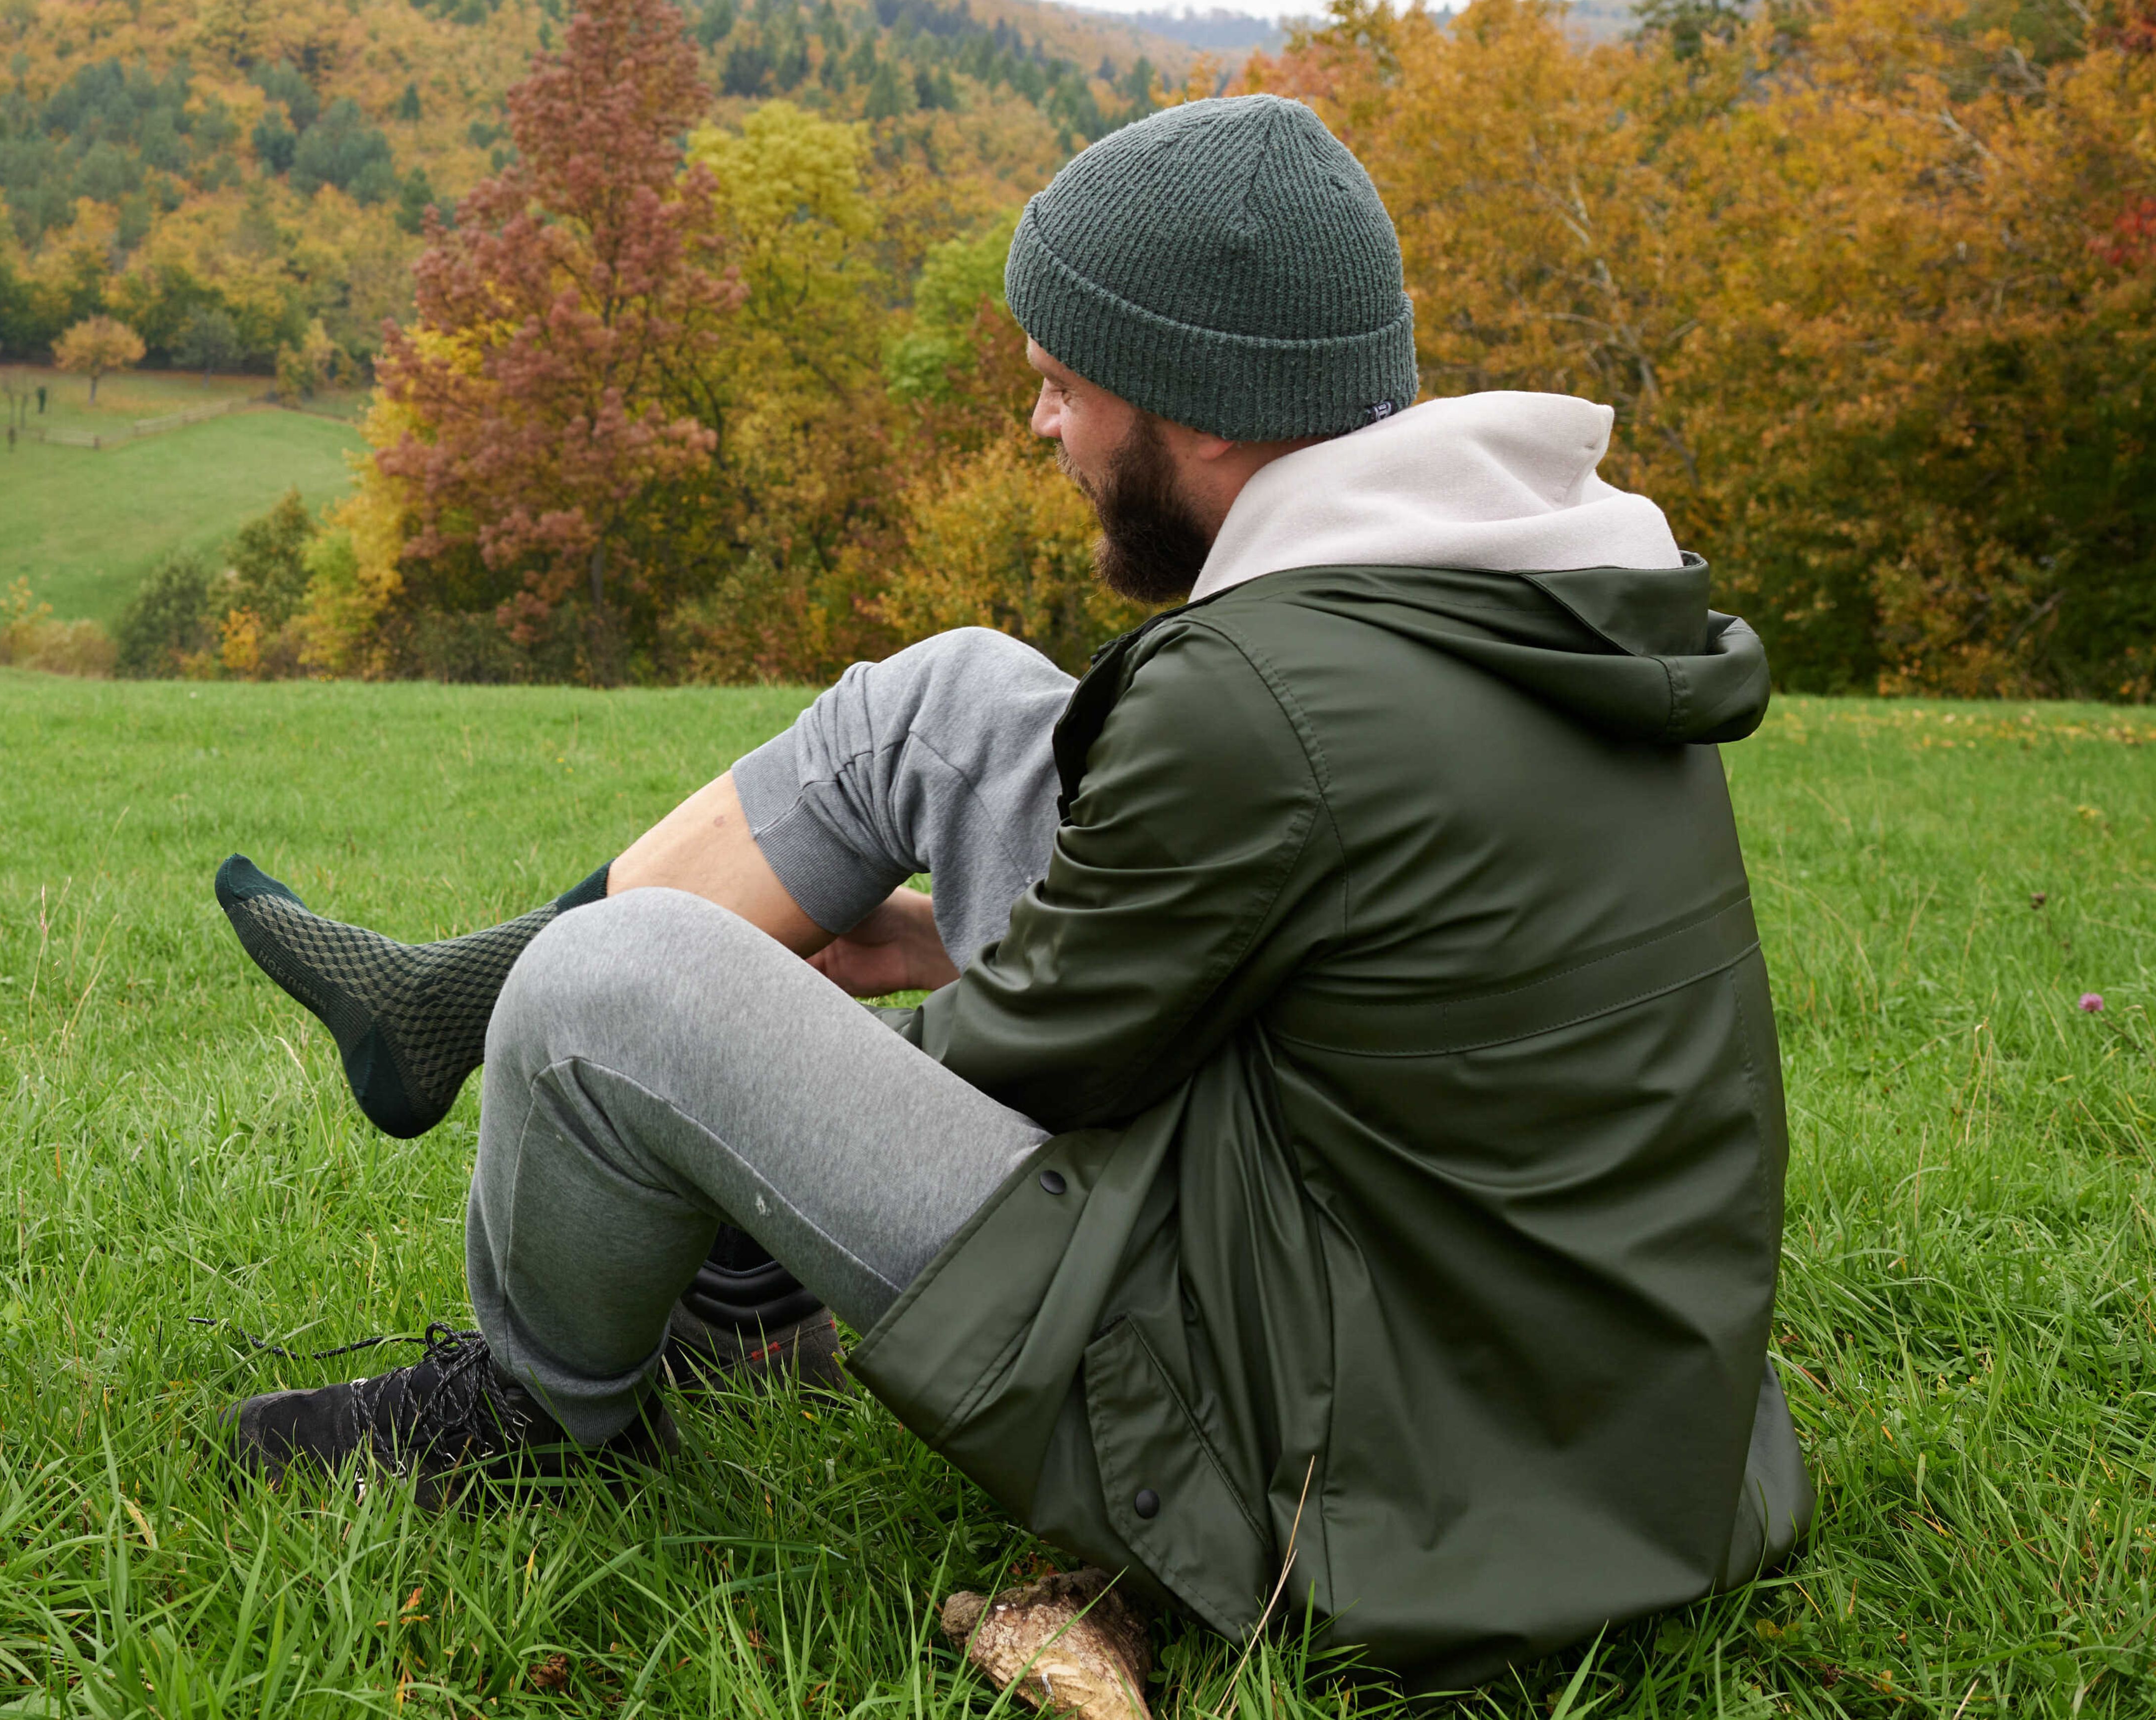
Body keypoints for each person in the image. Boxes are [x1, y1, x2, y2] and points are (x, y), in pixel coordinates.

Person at [207, 94, 1809, 1686]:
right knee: (962, 703)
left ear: (1210, 413)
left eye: (1062, 388)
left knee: (615, 990)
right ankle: (457, 1013)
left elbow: (1026, 1073)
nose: (1039, 429)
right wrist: (911, 960)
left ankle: (535, 1407)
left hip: (1370, 1474)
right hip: (1581, 1404)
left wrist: (726, 1082)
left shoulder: (1261, 702)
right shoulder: (1519, 585)